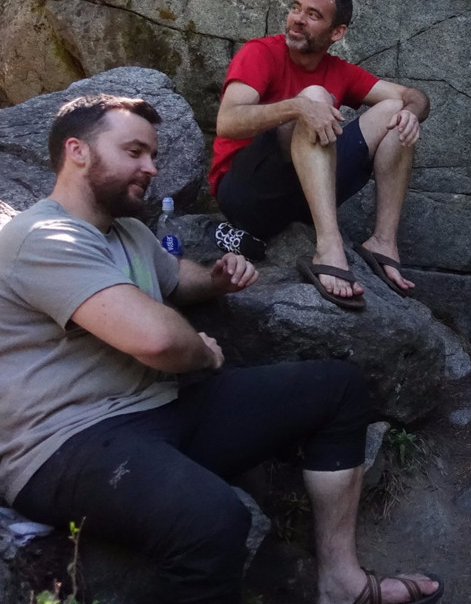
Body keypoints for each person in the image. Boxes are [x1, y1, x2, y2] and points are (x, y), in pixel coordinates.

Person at [0, 95, 442, 604]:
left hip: (156, 413)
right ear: (77, 151)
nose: (151, 167)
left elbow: (172, 280)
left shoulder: (127, 233)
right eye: (135, 151)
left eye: (154, 154)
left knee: (335, 387)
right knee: (213, 522)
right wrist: (204, 355)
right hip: (63, 445)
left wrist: (214, 278)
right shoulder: (43, 237)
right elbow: (160, 341)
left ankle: (341, 582)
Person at [209, 0, 430, 310]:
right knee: (314, 96)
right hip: (247, 195)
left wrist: (413, 112)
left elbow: (414, 96)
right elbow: (228, 122)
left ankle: (383, 242)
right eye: (296, 8)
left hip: (303, 197)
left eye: (313, 15)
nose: (298, 18)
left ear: (337, 32)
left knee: (396, 112)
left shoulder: (339, 71)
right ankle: (328, 245)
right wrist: (297, 107)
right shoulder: (260, 52)